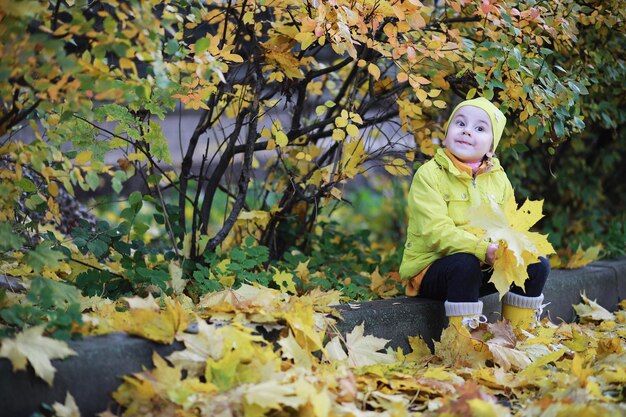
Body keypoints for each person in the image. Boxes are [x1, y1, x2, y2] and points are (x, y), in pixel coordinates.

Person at [399, 97, 550, 335]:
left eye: (479, 128)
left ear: (491, 147)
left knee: (537, 264)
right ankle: (464, 342)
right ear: (447, 134)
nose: (467, 131)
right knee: (465, 264)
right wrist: (482, 249)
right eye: (460, 123)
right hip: (432, 269)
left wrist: (510, 248)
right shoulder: (429, 175)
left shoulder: (498, 177)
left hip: (482, 262)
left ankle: (517, 336)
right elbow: (435, 232)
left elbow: (508, 225)